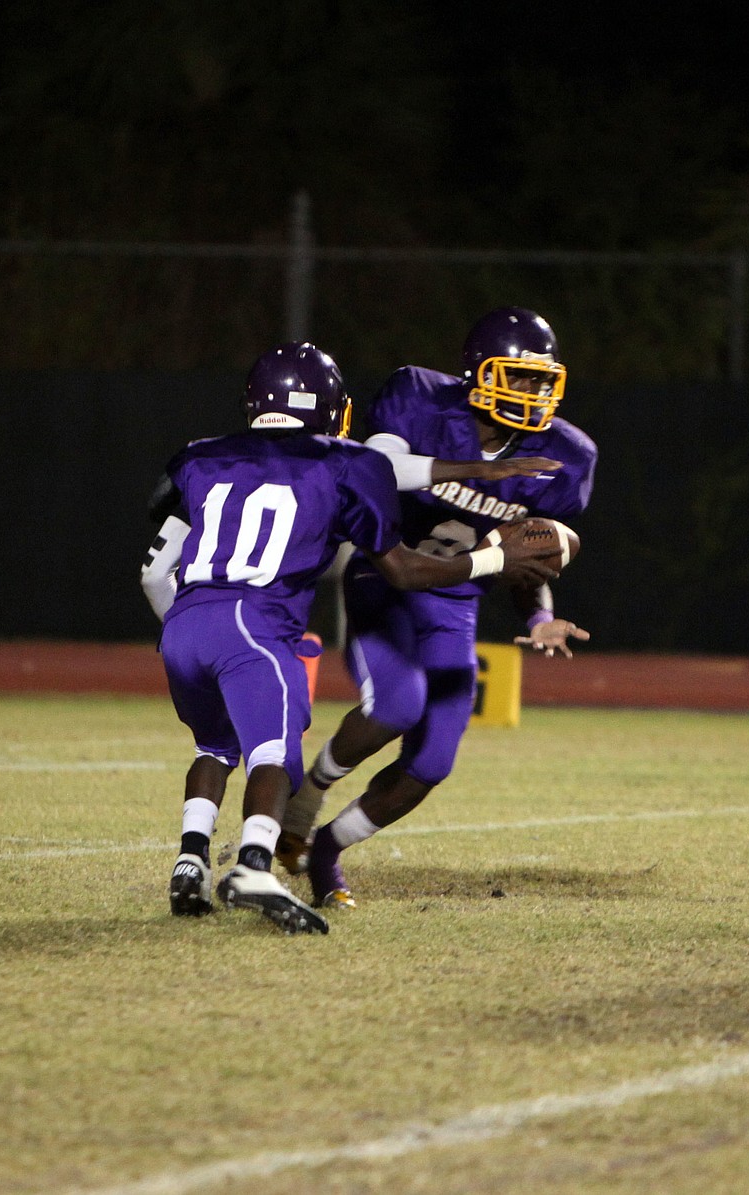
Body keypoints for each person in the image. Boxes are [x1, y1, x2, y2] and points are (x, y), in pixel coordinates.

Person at [140, 340, 561, 934]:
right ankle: (255, 865)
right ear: (331, 406)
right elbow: (403, 569)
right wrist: (494, 561)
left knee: (215, 747)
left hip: (186, 622)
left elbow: (156, 569)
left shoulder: (198, 457)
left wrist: (181, 630)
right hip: (259, 622)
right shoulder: (346, 463)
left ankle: (190, 862)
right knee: (275, 755)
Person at [276, 308, 598, 909]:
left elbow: (525, 558)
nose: (530, 393)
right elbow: (374, 465)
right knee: (397, 704)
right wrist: (476, 469)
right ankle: (308, 791)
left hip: (455, 603)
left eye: (540, 381)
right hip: (388, 576)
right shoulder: (419, 396)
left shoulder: (565, 456)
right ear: (479, 371)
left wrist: (538, 617)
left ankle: (326, 851)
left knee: (433, 762)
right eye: (517, 377)